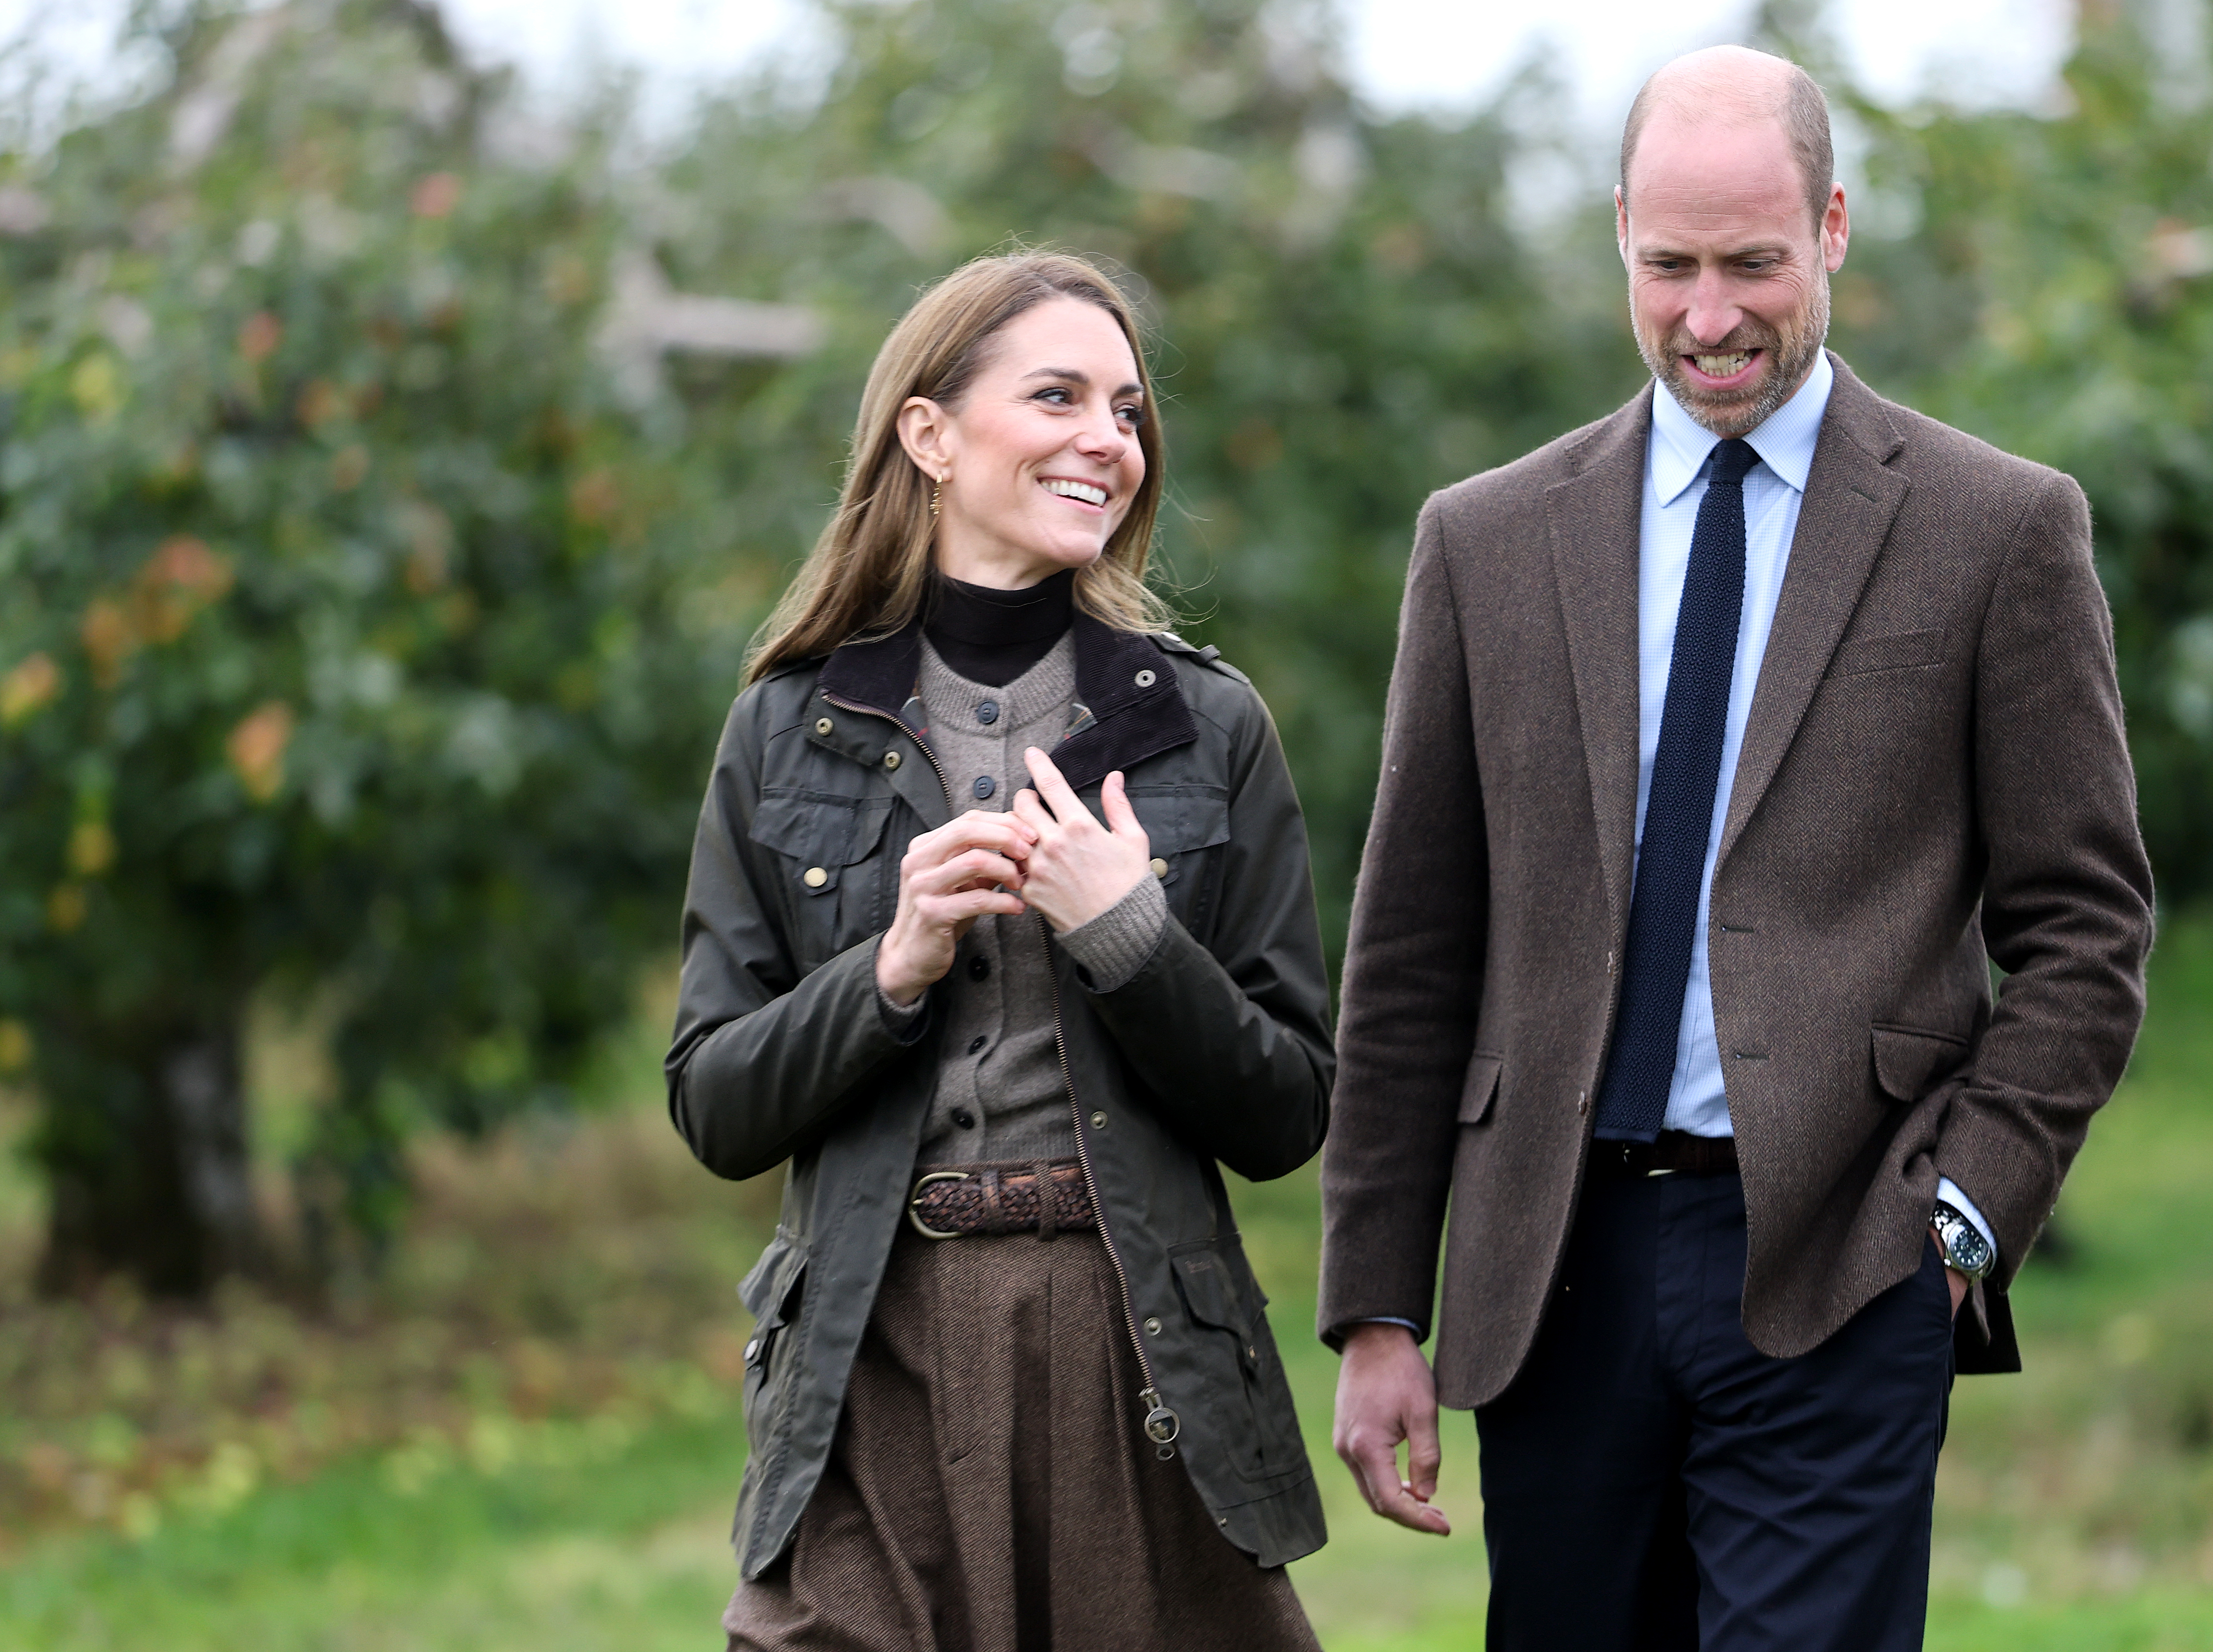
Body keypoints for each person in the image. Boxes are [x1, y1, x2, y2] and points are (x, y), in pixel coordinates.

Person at [1318, 45, 2154, 1652]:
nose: (1711, 316)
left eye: (1754, 263)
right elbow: (1412, 946)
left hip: (1843, 1259)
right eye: (1670, 267)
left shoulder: (1998, 529)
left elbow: (2085, 928)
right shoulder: (1482, 542)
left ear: (1831, 229)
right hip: (1546, 1271)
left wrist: (1960, 1220)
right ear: (1619, 234)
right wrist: (1374, 1302)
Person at [666, 251, 1334, 1652]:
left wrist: (1132, 937)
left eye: (1129, 410)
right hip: (870, 1351)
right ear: (928, 433)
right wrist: (889, 970)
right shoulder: (785, 733)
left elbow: (1286, 1113)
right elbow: (715, 1106)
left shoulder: (1211, 730)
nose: (1111, 440)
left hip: (1130, 1350)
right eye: (1059, 396)